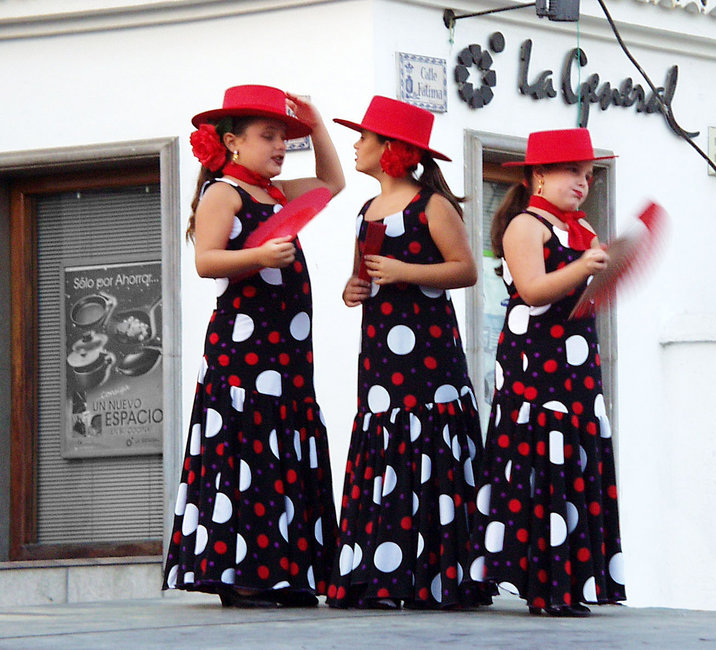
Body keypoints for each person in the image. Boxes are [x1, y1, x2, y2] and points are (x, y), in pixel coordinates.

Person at [162, 85, 345, 608]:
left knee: (281, 451)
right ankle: (243, 576)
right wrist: (261, 254)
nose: (281, 146)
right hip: (244, 353)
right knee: (252, 455)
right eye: (269, 136)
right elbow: (207, 261)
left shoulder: (279, 193)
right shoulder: (224, 192)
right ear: (232, 142)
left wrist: (314, 122)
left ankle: (282, 572)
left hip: (287, 355)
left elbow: (334, 181)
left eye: (285, 137)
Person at [325, 96, 490, 610]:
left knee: (429, 447)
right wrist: (352, 291)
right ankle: (381, 575)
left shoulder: (431, 206)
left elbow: (465, 269)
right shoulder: (365, 211)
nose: (356, 144)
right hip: (380, 356)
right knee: (386, 445)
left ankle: (433, 577)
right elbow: (363, 276)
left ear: (391, 149)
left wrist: (404, 274)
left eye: (365, 137)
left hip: (430, 356)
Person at [469, 128, 626, 617]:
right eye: (572, 171)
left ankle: (569, 581)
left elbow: (582, 297)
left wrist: (603, 270)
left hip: (577, 365)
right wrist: (585, 268)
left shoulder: (578, 231)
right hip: (536, 365)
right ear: (539, 174)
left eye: (587, 174)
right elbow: (535, 291)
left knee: (573, 462)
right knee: (542, 461)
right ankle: (544, 584)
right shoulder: (525, 225)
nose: (584, 182)